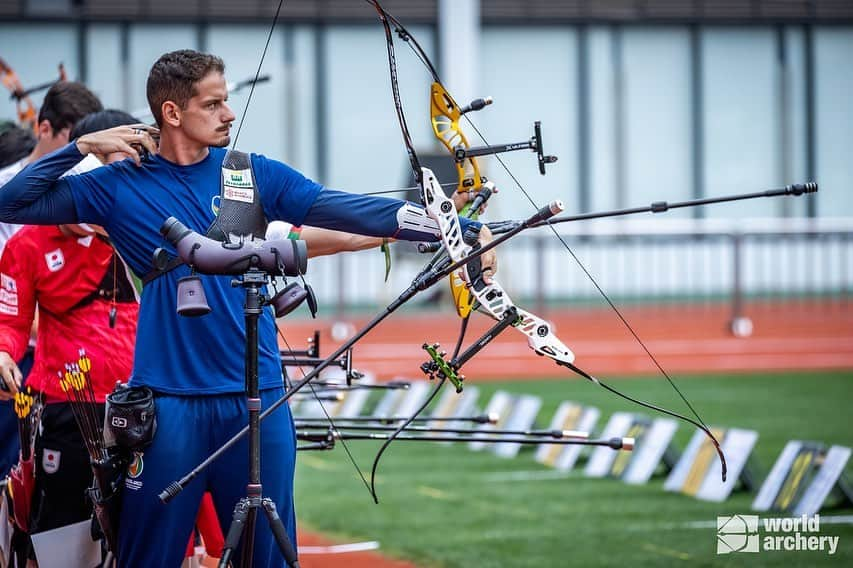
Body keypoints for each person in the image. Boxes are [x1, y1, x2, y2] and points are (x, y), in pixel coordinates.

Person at [0, 49, 496, 567]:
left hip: (257, 401)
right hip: (168, 408)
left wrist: (455, 229)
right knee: (150, 556)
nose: (228, 114)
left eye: (226, 102)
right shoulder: (116, 186)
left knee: (268, 557)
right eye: (213, 104)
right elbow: (12, 202)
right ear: (172, 113)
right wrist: (80, 146)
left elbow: (342, 207)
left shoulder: (250, 173)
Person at [0, 109, 139, 543]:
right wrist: (3, 352)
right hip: (65, 409)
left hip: (141, 407)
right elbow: (10, 322)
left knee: (153, 533)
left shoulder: (138, 233)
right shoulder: (26, 244)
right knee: (65, 534)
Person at [0, 82, 102, 479]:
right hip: (17, 348)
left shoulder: (87, 185)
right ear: (44, 129)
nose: (79, 155)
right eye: (71, 141)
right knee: (11, 462)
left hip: (72, 354)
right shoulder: (7, 188)